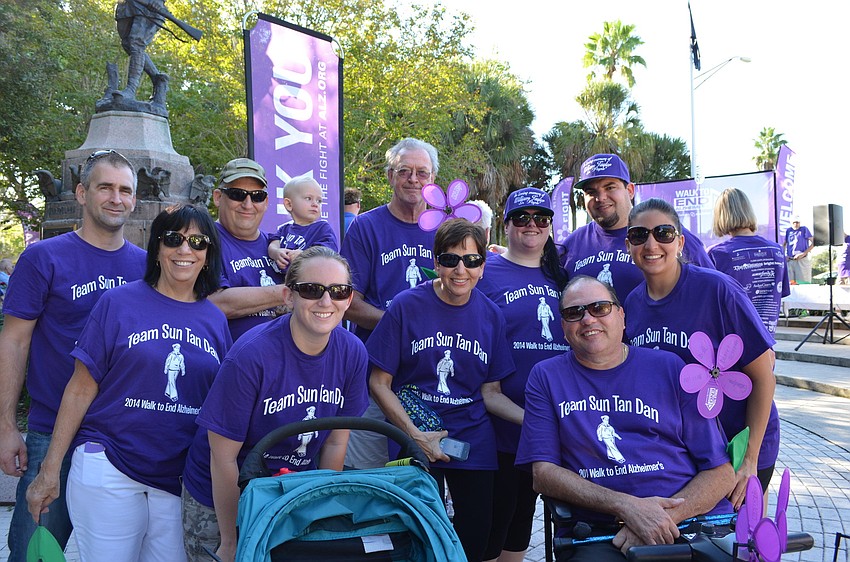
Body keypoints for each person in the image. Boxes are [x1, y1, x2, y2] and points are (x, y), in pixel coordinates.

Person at [26, 204, 231, 562]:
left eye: (197, 242)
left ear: (208, 253)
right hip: (110, 465)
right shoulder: (118, 303)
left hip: (177, 477)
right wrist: (48, 471)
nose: (185, 250)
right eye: (174, 239)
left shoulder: (215, 320)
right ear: (157, 248)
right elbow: (80, 387)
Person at [516, 275, 734, 561]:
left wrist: (657, 519)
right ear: (563, 327)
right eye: (574, 312)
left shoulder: (670, 367)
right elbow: (543, 475)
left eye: (600, 308)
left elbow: (720, 472)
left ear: (621, 316)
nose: (588, 319)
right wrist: (627, 507)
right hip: (603, 531)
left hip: (691, 520)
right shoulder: (546, 377)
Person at [0, 150, 146, 561]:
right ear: (82, 193)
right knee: (36, 551)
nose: (116, 198)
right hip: (52, 433)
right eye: (105, 187)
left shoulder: (147, 267)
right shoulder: (43, 258)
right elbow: (14, 342)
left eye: (125, 190)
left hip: (122, 435)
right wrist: (7, 425)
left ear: (134, 199)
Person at [181, 246, 369, 562]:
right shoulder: (253, 355)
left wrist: (317, 512)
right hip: (222, 493)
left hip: (290, 489)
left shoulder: (352, 353)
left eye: (338, 291)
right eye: (311, 290)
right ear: (288, 296)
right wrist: (230, 541)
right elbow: (222, 458)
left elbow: (336, 443)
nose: (326, 301)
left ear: (349, 299)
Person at [368, 219, 521, 562]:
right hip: (416, 433)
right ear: (436, 262)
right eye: (450, 259)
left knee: (475, 540)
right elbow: (379, 383)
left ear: (483, 264)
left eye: (471, 260)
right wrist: (414, 435)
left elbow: (491, 392)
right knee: (421, 536)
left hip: (472, 439)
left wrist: (537, 420)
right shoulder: (406, 306)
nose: (460, 269)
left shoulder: (491, 315)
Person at [623, 198, 780, 510]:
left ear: (680, 242)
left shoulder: (719, 291)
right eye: (640, 235)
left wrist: (749, 460)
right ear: (629, 246)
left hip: (739, 443)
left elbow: (764, 378)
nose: (651, 243)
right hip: (688, 451)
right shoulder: (632, 304)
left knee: (744, 541)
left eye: (663, 233)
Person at [475, 187, 568, 562]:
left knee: (520, 528)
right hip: (499, 424)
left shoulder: (562, 276)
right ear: (507, 223)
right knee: (491, 530)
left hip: (553, 425)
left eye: (541, 218)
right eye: (522, 217)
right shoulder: (485, 272)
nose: (532, 225)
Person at [341, 138, 441, 469]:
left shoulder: (445, 230)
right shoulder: (366, 227)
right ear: (389, 176)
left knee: (429, 474)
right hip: (374, 376)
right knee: (372, 477)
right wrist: (402, 328)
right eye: (404, 171)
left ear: (433, 180)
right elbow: (350, 302)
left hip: (432, 378)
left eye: (422, 173)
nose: (414, 179)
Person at [560, 153, 715, 303]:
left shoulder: (668, 235)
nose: (601, 198)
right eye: (591, 192)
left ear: (630, 191)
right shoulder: (571, 246)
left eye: (610, 187)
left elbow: (712, 290)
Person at [206, 158, 287, 342]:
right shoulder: (203, 240)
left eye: (257, 196)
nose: (248, 204)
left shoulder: (276, 245)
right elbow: (216, 303)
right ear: (218, 197)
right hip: (235, 364)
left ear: (266, 202)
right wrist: (288, 292)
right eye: (237, 194)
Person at [708, 188, 790, 334]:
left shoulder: (717, 254)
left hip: (731, 346)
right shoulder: (777, 251)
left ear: (721, 216)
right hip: (766, 345)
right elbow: (778, 295)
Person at [268, 174, 339, 271]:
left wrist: (304, 254)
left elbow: (328, 251)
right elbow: (273, 244)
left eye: (319, 201)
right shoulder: (284, 230)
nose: (315, 204)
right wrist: (276, 253)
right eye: (308, 198)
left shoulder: (322, 228)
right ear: (289, 204)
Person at [783, 216, 814, 284]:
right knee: (791, 284)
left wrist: (804, 253)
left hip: (801, 260)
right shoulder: (788, 231)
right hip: (790, 260)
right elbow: (784, 244)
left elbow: (814, 242)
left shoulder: (804, 229)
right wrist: (784, 256)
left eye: (797, 222)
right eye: (794, 222)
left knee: (803, 283)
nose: (796, 224)